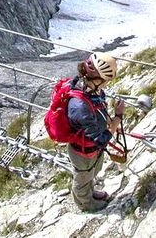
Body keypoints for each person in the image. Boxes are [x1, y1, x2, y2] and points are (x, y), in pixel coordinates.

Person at [66, 52, 123, 212]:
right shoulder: (80, 106)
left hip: (89, 149)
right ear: (97, 79)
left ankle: (90, 192)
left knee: (90, 173)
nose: (105, 84)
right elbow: (101, 140)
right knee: (83, 178)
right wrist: (118, 117)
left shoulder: (88, 88)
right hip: (83, 152)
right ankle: (85, 202)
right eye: (105, 81)